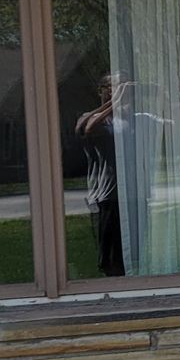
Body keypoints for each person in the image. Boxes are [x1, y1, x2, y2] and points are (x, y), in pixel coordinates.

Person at [76, 73, 128, 276]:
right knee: (110, 257)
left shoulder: (128, 118)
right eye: (117, 85)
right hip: (107, 197)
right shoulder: (89, 117)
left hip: (132, 195)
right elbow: (88, 128)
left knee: (132, 253)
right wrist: (115, 102)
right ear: (103, 90)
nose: (122, 89)